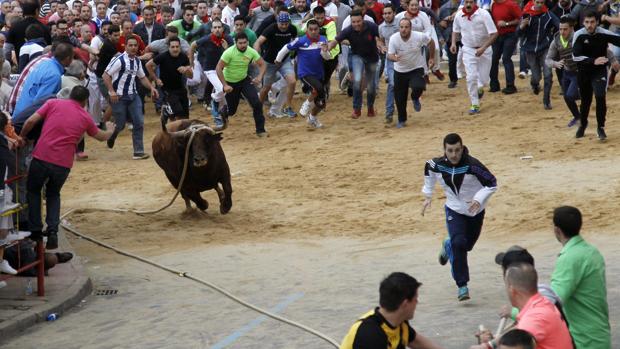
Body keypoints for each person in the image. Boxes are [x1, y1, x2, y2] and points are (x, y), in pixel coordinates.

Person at [19, 86, 114, 249]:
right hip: (62, 163)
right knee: (53, 194)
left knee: (33, 191)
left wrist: (22, 137)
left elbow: (30, 121)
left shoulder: (53, 103)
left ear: (70, 96)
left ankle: (35, 231)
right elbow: (100, 137)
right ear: (85, 101)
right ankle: (52, 230)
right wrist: (111, 130)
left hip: (41, 156)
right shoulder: (85, 117)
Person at [421, 133, 497, 301]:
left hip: (475, 211)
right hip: (454, 209)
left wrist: (478, 199)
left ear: (462, 149)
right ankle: (462, 285)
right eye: (450, 151)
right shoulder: (438, 164)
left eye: (457, 150)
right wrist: (427, 194)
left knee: (466, 245)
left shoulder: (473, 165)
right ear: (444, 151)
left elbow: (492, 183)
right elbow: (428, 168)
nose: (454, 154)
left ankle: (447, 245)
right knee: (459, 243)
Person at [471, 263, 573, 349]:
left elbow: (520, 335)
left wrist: (486, 346)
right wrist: (490, 343)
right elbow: (518, 332)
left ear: (512, 289)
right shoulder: (541, 304)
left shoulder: (534, 316)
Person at [550, 206, 610, 349]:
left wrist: (516, 312)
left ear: (557, 230)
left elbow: (554, 300)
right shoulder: (592, 252)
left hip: (584, 341)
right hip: (599, 335)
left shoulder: (569, 258)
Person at [339, 272, 445, 349]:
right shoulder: (370, 334)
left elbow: (417, 342)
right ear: (405, 304)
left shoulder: (399, 323)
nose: (417, 303)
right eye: (415, 299)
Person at [103, 36, 159, 159]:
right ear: (126, 46)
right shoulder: (119, 60)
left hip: (133, 95)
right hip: (118, 97)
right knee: (121, 124)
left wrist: (151, 88)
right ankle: (112, 135)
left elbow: (142, 77)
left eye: (135, 45)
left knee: (138, 122)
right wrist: (111, 91)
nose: (133, 48)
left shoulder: (137, 61)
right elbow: (105, 75)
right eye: (130, 45)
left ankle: (138, 151)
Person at [573, 11, 620, 140]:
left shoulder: (603, 33)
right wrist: (592, 60)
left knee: (600, 96)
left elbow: (618, 40)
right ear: (583, 23)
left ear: (597, 22)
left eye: (592, 22)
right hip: (584, 71)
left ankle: (601, 127)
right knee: (586, 101)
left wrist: (612, 59)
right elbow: (575, 56)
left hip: (599, 71)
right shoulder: (578, 35)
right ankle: (583, 124)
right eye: (587, 22)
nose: (590, 25)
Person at [276, 19, 331, 128]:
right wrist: (278, 60)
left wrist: (325, 51)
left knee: (321, 102)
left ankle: (312, 118)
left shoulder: (323, 39)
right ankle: (307, 103)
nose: (314, 32)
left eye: (316, 29)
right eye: (311, 29)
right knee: (319, 89)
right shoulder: (300, 41)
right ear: (307, 30)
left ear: (319, 30)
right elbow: (285, 49)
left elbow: (327, 57)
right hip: (305, 73)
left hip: (319, 73)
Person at [328, 10, 384, 118]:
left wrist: (380, 44)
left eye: (358, 21)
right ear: (351, 22)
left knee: (371, 86)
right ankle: (356, 109)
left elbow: (381, 37)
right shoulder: (348, 30)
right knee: (357, 81)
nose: (356, 24)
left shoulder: (372, 26)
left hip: (372, 58)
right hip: (357, 56)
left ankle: (370, 107)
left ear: (363, 20)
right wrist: (328, 48)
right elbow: (336, 41)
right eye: (353, 22)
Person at [215, 31, 268, 137]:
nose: (243, 45)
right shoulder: (229, 52)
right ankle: (223, 111)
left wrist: (259, 77)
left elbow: (263, 64)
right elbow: (218, 68)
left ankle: (260, 130)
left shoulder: (251, 51)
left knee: (257, 103)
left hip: (244, 80)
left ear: (248, 42)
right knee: (232, 111)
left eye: (245, 43)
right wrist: (225, 85)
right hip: (230, 83)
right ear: (235, 43)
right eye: (240, 43)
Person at [450, 0, 497, 114]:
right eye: (466, 2)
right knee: (470, 78)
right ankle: (475, 103)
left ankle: (480, 88)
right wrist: (453, 43)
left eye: (471, 2)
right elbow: (455, 31)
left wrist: (483, 48)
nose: (468, 4)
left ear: (475, 3)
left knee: (484, 81)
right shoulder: (459, 15)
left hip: (484, 49)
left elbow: (494, 33)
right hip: (468, 49)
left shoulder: (484, 14)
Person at [387, 18, 433, 129]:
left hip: (416, 68)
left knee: (418, 86)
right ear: (399, 28)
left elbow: (431, 42)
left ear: (410, 28)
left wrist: (431, 57)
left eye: (406, 27)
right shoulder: (394, 38)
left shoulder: (419, 36)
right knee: (400, 98)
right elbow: (389, 55)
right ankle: (402, 120)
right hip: (400, 71)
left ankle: (415, 97)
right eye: (401, 27)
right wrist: (395, 58)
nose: (404, 30)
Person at [188, 18, 233, 127]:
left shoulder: (228, 39)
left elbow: (232, 54)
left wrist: (226, 48)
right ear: (211, 29)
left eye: (219, 27)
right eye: (215, 27)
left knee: (224, 95)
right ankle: (214, 102)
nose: (217, 29)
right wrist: (191, 62)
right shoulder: (206, 39)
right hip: (210, 69)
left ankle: (220, 116)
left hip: (223, 69)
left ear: (223, 29)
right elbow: (193, 45)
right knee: (221, 89)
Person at [254, 12, 297, 118]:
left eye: (286, 24)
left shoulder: (292, 29)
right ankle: (257, 109)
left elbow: (295, 42)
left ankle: (288, 107)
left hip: (284, 60)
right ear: (277, 22)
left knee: (292, 82)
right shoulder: (271, 29)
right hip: (269, 62)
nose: (284, 26)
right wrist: (256, 56)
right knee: (265, 88)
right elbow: (258, 42)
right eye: (282, 24)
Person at [13, 42, 74, 117]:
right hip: (26, 119)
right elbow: (40, 105)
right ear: (68, 58)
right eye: (72, 57)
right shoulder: (54, 75)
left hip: (20, 112)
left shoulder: (44, 63)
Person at [519, 0, 559, 110]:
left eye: (542, 2)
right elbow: (517, 33)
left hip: (545, 48)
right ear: (533, 2)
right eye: (538, 2)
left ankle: (546, 100)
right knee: (536, 76)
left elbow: (559, 25)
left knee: (548, 74)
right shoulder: (526, 14)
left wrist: (553, 38)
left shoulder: (548, 15)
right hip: (530, 49)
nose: (540, 5)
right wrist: (522, 26)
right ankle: (535, 84)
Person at [545, 15, 581, 128]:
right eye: (560, 29)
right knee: (567, 97)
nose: (562, 31)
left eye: (565, 29)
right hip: (567, 72)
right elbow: (548, 59)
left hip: (579, 72)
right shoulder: (556, 40)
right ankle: (577, 117)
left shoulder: (578, 37)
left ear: (571, 28)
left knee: (570, 95)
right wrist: (555, 64)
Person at [146, 37, 192, 122]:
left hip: (180, 88)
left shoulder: (183, 57)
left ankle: (167, 112)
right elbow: (148, 65)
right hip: (167, 89)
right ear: (169, 47)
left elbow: (190, 76)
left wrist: (186, 69)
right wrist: (156, 79)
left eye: (177, 47)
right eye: (172, 47)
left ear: (180, 47)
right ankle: (175, 127)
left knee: (185, 116)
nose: (175, 49)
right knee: (179, 113)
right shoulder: (163, 56)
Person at [489, 0, 521, 94]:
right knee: (494, 58)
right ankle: (494, 85)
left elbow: (520, 19)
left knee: (506, 58)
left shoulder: (511, 4)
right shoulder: (494, 5)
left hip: (510, 34)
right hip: (497, 34)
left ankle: (510, 86)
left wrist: (507, 23)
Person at [378, 4, 398, 123]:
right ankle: (389, 112)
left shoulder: (401, 23)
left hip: (403, 58)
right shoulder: (381, 27)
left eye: (389, 13)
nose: (387, 15)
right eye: (384, 13)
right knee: (392, 84)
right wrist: (382, 47)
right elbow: (380, 40)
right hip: (390, 58)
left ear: (394, 13)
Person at [437, 0, 459, 88]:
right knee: (452, 60)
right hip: (450, 36)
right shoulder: (444, 8)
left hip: (464, 35)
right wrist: (440, 37)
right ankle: (453, 80)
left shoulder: (465, 5)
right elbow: (438, 24)